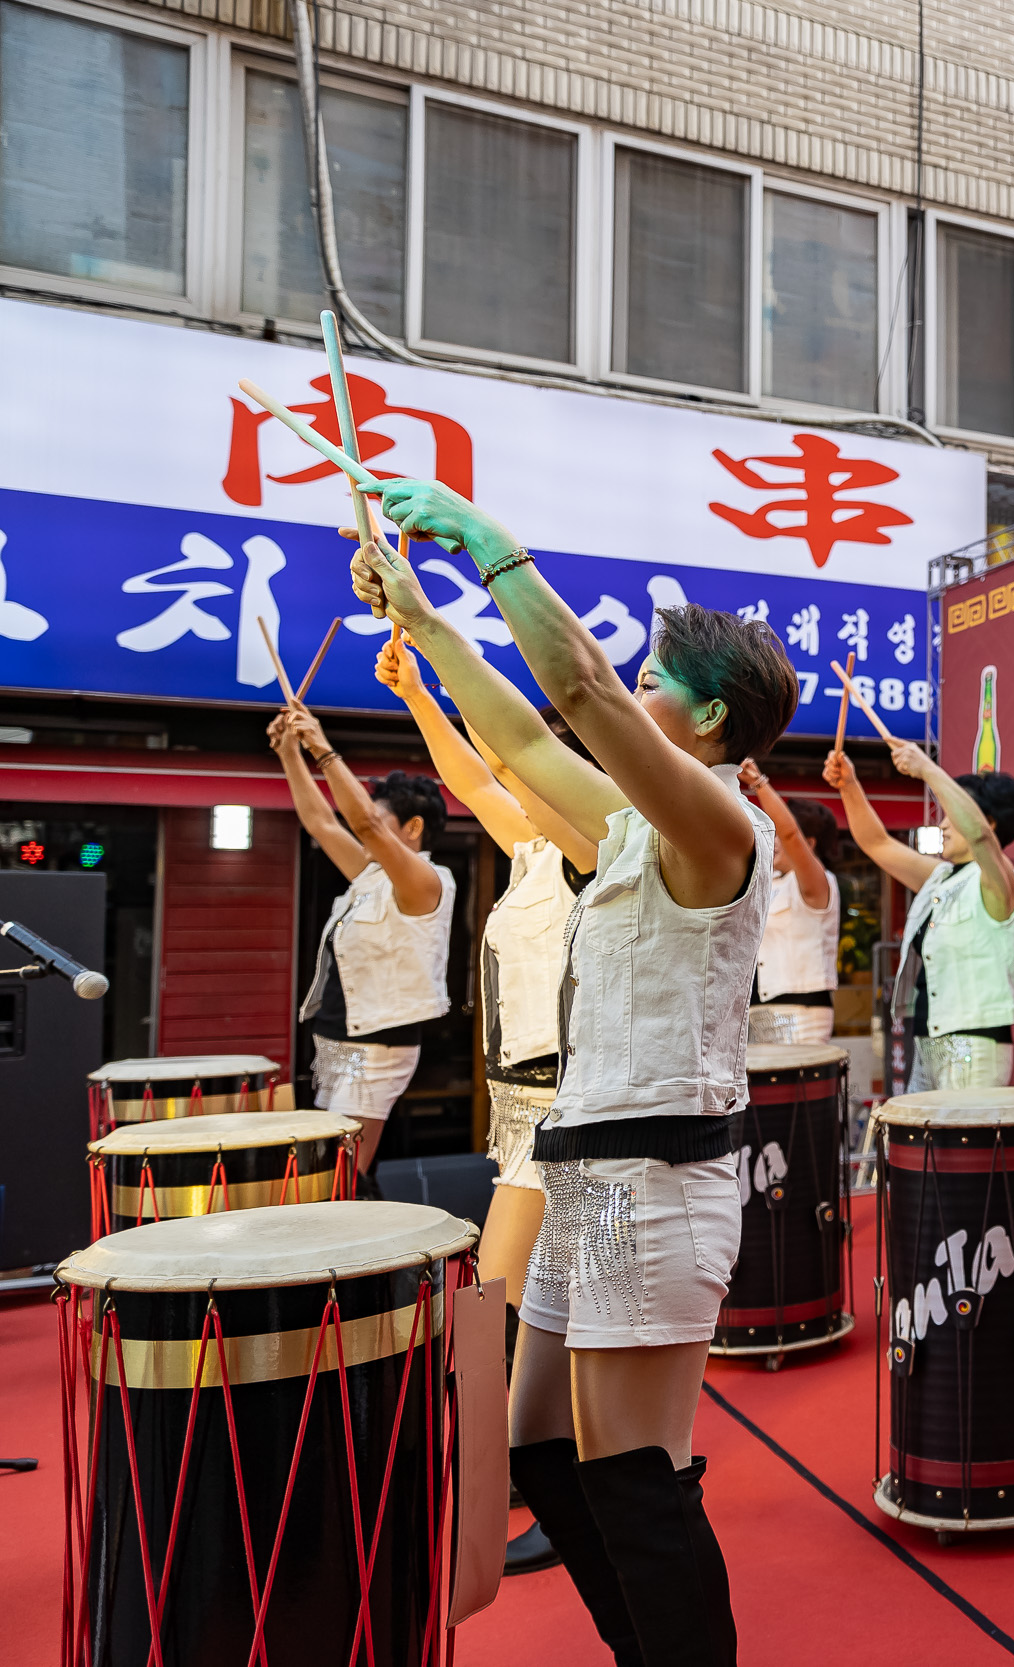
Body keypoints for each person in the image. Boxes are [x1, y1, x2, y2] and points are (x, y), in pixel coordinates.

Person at [352, 481, 796, 1667]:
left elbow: (579, 695)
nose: (632, 690)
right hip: (585, 1169)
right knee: (542, 1445)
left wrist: (495, 553)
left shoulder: (721, 830)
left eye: (659, 679)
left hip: (655, 1179)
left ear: (705, 721)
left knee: (636, 1474)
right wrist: (426, 620)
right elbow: (522, 741)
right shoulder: (634, 830)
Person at [374, 633, 602, 1577]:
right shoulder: (532, 847)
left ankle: (569, 1483)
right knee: (514, 1307)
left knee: (527, 1305)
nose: (507, 776)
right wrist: (422, 696)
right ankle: (520, 1466)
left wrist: (444, 671)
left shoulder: (595, 849)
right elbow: (473, 773)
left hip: (565, 1107)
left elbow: (502, 758)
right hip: (516, 1108)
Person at [269, 705, 453, 1177]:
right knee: (327, 1166)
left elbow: (365, 824)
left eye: (379, 818)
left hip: (377, 1047)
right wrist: (290, 752)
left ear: (412, 828)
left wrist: (322, 749)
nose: (364, 825)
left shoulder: (427, 880)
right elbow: (322, 824)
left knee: (344, 1172)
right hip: (335, 1041)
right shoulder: (372, 875)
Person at [822, 740, 1014, 1091]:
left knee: (963, 1146)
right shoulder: (941, 878)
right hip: (926, 1041)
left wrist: (928, 770)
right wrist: (849, 785)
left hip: (972, 1046)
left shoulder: (998, 879)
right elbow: (877, 843)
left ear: (988, 821)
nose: (944, 825)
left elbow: (978, 835)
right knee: (922, 1146)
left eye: (952, 814)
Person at [740, 761, 840, 1046]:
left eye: (778, 835)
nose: (774, 842)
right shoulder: (768, 880)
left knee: (799, 1090)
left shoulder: (818, 884)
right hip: (758, 1011)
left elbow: (790, 834)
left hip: (801, 1011)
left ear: (809, 843)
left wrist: (759, 784)